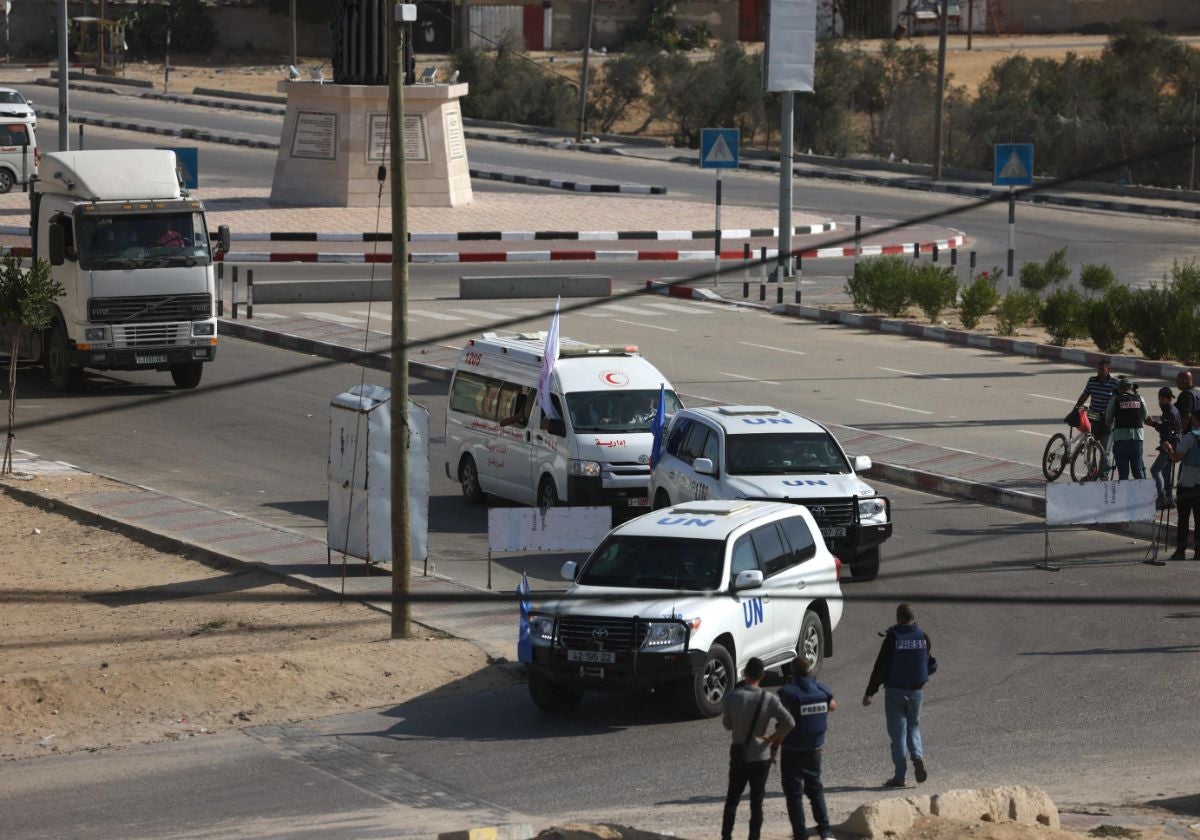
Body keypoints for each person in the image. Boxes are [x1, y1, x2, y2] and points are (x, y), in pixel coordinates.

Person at [863, 603, 935, 789]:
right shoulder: (923, 637)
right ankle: (917, 755)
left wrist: (870, 692)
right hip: (916, 692)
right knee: (913, 727)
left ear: (898, 618)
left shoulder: (893, 638)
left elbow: (881, 667)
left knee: (898, 736)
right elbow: (930, 664)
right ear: (913, 617)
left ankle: (899, 777)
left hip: (895, 691)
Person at [721, 657, 794, 840]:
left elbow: (727, 725)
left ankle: (726, 837)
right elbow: (789, 722)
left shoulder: (732, 697)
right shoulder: (769, 699)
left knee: (732, 800)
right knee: (756, 802)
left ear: (745, 674)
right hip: (761, 756)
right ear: (762, 676)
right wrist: (773, 738)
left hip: (739, 754)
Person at [776, 657, 837, 840]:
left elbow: (782, 716)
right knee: (815, 789)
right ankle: (825, 831)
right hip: (814, 748)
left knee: (794, 794)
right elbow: (833, 706)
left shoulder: (787, 692)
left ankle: (800, 835)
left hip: (792, 750)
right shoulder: (822, 690)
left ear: (792, 673)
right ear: (810, 671)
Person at [1075, 358, 1119, 476]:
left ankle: (1103, 475)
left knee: (1105, 451)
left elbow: (1121, 399)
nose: (1099, 372)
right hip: (1093, 417)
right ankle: (1091, 471)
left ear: (1108, 370)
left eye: (1102, 369)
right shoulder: (1092, 381)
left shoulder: (1115, 383)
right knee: (1090, 447)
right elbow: (1085, 395)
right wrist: (1076, 407)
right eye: (1098, 369)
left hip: (1107, 421)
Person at [1166, 413, 1200, 561]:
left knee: (1184, 519)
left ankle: (1181, 550)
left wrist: (1168, 449)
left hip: (1187, 484)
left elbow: (1176, 458)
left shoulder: (1189, 438)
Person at [1104, 377, 1149, 480]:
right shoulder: (1139, 398)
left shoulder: (1115, 399)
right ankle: (1142, 494)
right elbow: (1145, 417)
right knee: (1138, 471)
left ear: (1119, 389)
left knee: (1123, 475)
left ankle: (1124, 495)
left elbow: (1108, 420)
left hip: (1120, 441)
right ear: (1132, 388)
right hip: (1137, 440)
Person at [1145, 387, 1180, 509]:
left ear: (1169, 399)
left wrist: (1153, 424)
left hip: (1169, 445)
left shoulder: (1169, 412)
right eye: (1159, 399)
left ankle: (1162, 496)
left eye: (1163, 399)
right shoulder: (1172, 409)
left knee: (1155, 470)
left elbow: (1167, 431)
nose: (1160, 402)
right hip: (1174, 445)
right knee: (1166, 473)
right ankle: (1169, 500)